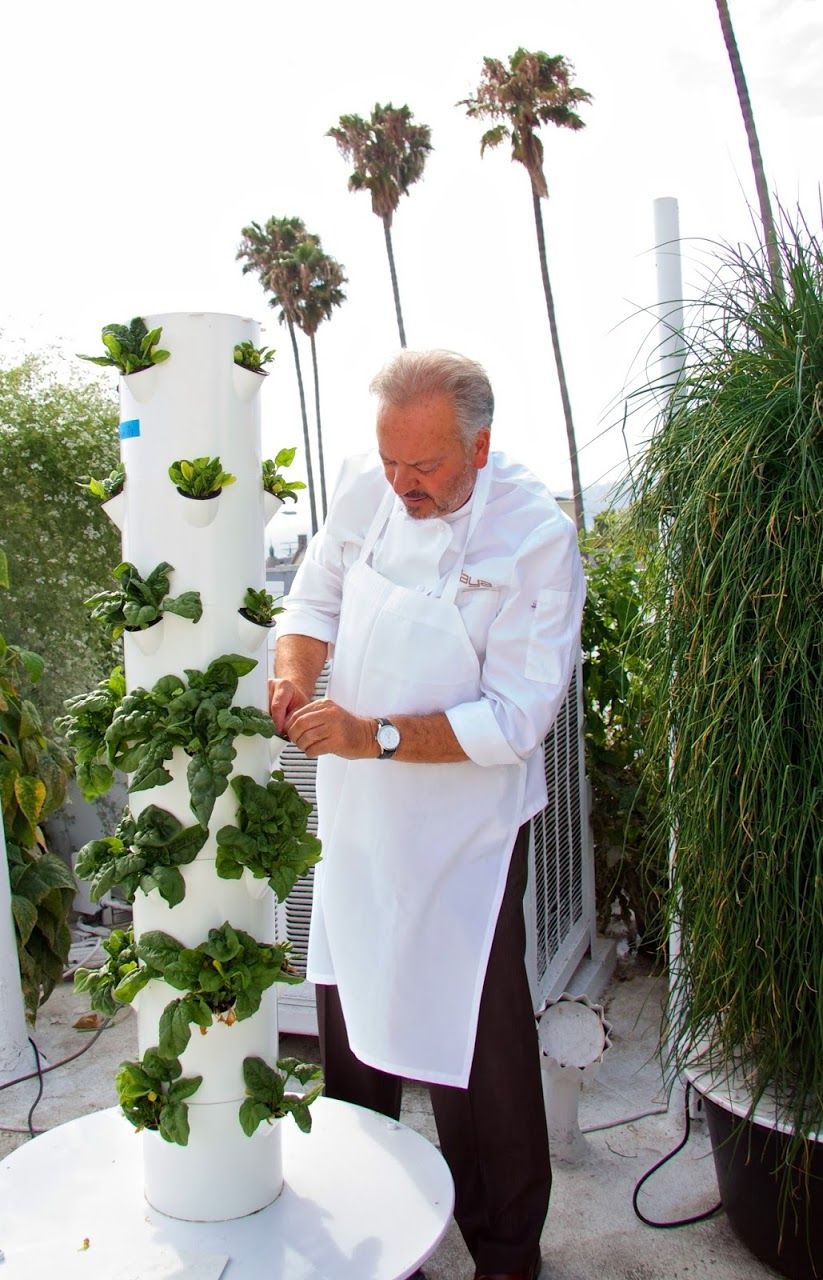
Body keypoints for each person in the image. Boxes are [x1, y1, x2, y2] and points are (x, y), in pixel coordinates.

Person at [269, 349, 586, 1280]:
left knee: (473, 1050)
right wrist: (292, 677)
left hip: (466, 835)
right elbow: (314, 591)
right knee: (352, 1023)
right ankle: (375, 1232)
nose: (401, 486)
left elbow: (518, 717)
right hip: (360, 817)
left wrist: (377, 736)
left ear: (480, 448)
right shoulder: (372, 484)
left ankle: (504, 1251)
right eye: (390, 462)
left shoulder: (534, 537)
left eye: (426, 468)